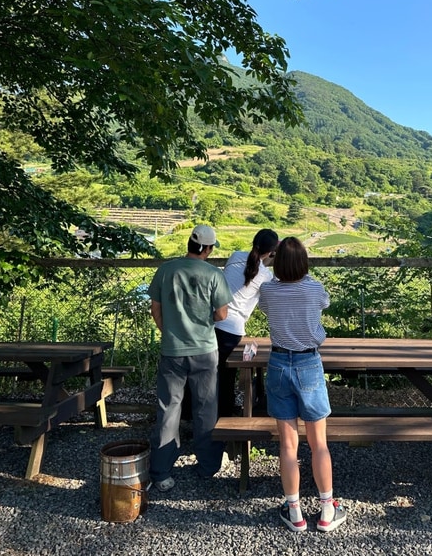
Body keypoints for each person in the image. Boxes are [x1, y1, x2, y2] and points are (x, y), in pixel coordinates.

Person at [258, 237, 346, 533]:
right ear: (304, 263)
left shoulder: (268, 290)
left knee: (288, 443)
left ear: (276, 262)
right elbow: (324, 303)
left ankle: (294, 511)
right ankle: (326, 509)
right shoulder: (314, 288)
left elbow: (266, 310)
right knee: (318, 442)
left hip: (279, 363)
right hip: (309, 363)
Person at [148, 224, 232, 491]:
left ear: (189, 244)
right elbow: (221, 315)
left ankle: (161, 472)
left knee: (168, 409)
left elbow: (155, 309)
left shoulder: (166, 270)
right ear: (208, 248)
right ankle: (208, 467)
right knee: (206, 409)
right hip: (205, 351)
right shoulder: (213, 274)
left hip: (172, 350)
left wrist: (170, 332)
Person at [215, 228, 279, 416]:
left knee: (212, 372)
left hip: (213, 321)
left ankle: (204, 413)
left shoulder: (235, 256)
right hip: (233, 328)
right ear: (271, 252)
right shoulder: (266, 275)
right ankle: (224, 414)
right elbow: (266, 305)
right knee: (227, 376)